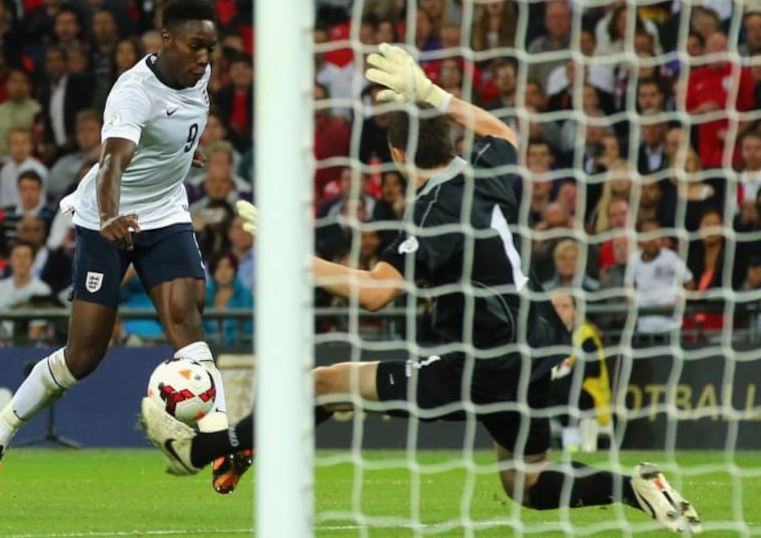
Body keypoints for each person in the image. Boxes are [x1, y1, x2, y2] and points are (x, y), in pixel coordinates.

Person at [139, 43, 701, 533]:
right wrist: (433, 92)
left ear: (398, 156)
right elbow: (501, 131)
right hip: (542, 346)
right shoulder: (486, 170)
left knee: (321, 383)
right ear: (451, 142)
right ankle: (634, 488)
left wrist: (294, 257)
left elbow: (380, 292)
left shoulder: (432, 211)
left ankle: (207, 448)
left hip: (485, 363)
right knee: (526, 484)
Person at [0, 0, 238, 503]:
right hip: (104, 220)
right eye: (196, 46)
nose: (205, 57)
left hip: (164, 212)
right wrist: (112, 216)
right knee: (84, 354)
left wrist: (183, 150)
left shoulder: (197, 74)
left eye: (211, 47)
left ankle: (220, 441)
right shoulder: (133, 93)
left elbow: (182, 122)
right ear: (166, 40)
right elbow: (112, 162)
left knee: (188, 318)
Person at [548, 292, 611, 453]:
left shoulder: (586, 335)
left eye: (565, 306)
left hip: (590, 392)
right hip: (561, 390)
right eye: (555, 307)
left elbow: (588, 368)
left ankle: (574, 444)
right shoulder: (547, 334)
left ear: (575, 311)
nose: (559, 311)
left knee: (564, 390)